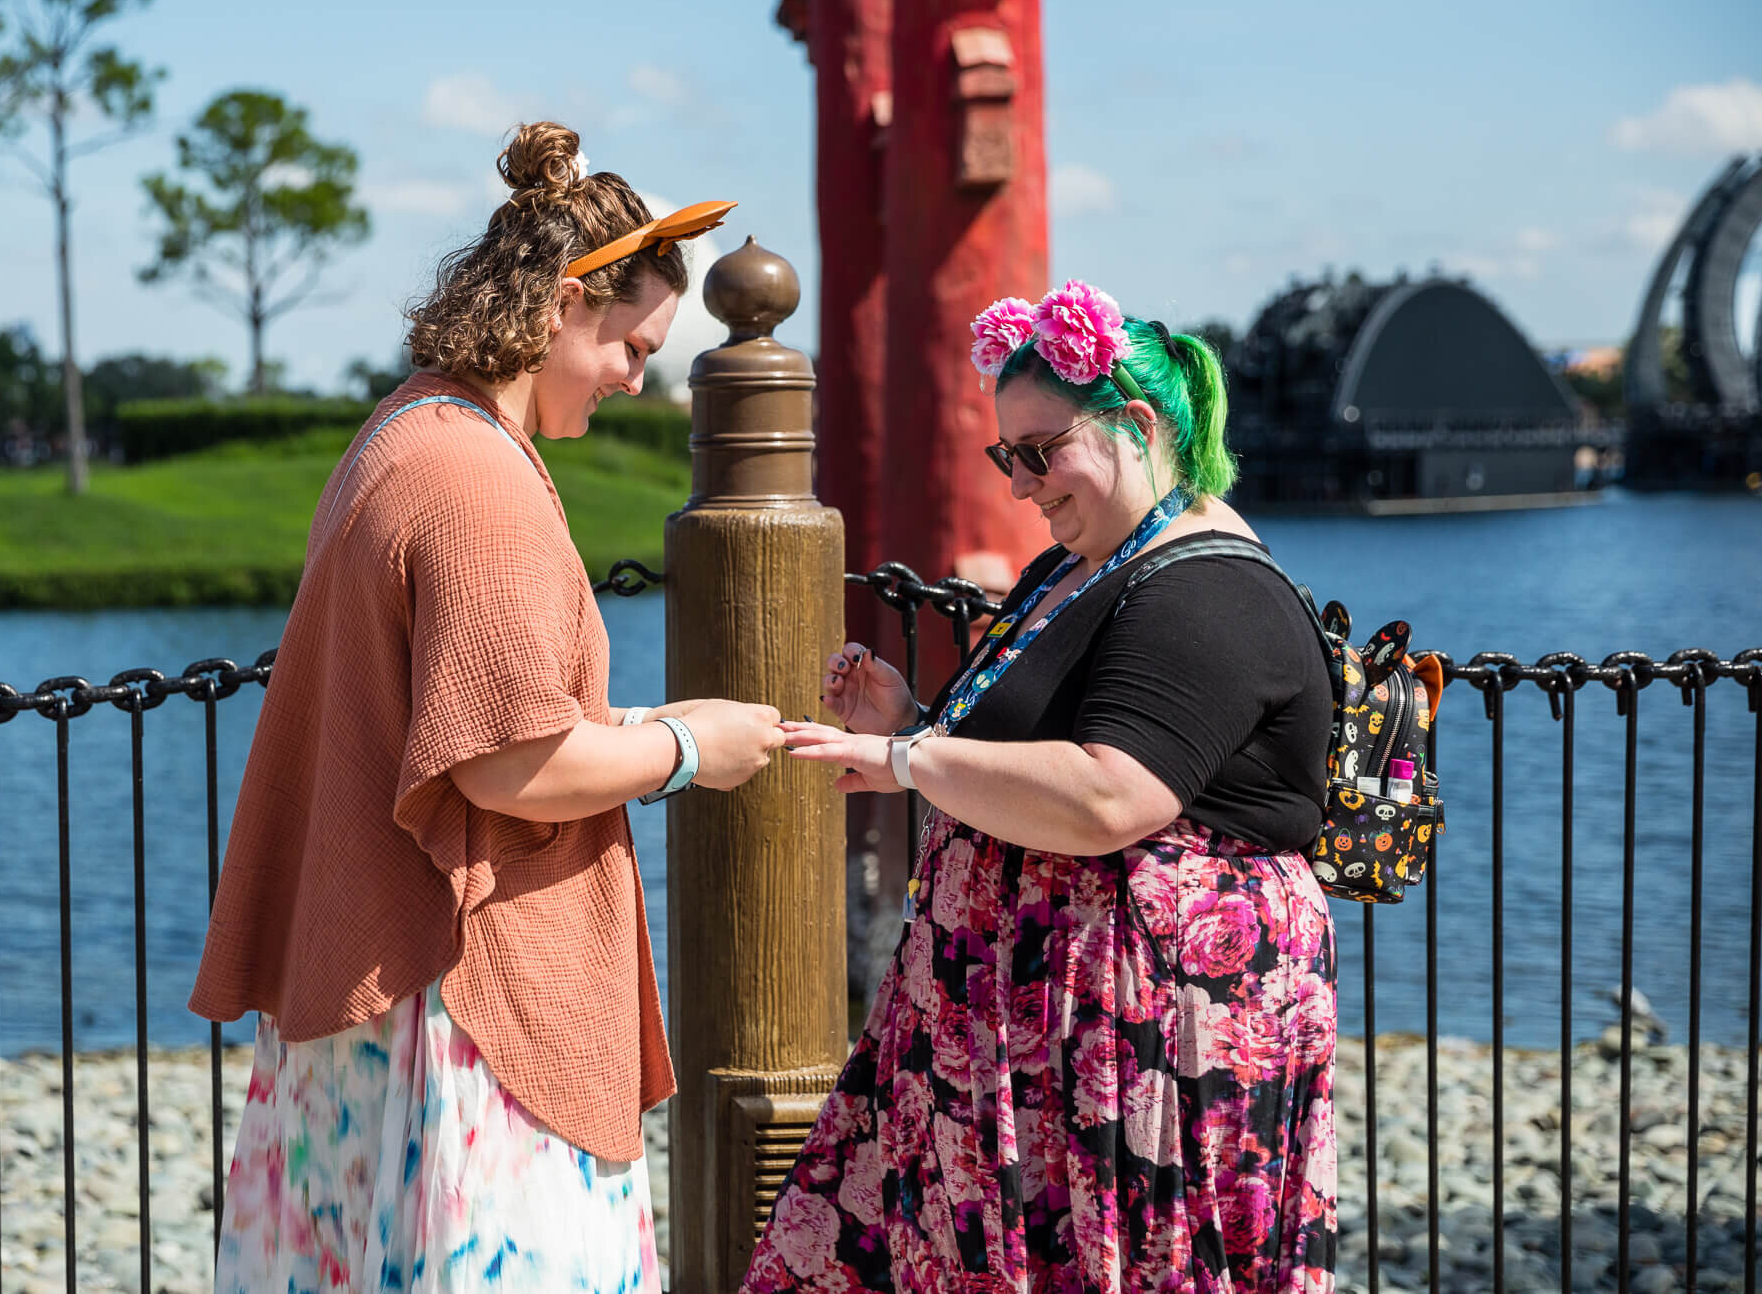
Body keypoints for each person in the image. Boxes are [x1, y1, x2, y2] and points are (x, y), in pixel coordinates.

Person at [190, 120, 785, 1292]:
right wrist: (685, 748)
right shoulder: (476, 482)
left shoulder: (405, 428)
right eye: (632, 344)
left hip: (373, 967)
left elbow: (455, 715)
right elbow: (505, 770)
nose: (635, 378)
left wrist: (620, 727)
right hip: (459, 992)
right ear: (568, 303)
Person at [744, 280, 1338, 1292]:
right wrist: (916, 725)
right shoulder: (1072, 566)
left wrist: (903, 761)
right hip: (1010, 1031)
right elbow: (1034, 759)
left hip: (1129, 1036)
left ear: (1136, 425)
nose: (1020, 485)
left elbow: (1111, 794)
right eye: (1003, 456)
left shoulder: (1212, 588)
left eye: (1039, 451)